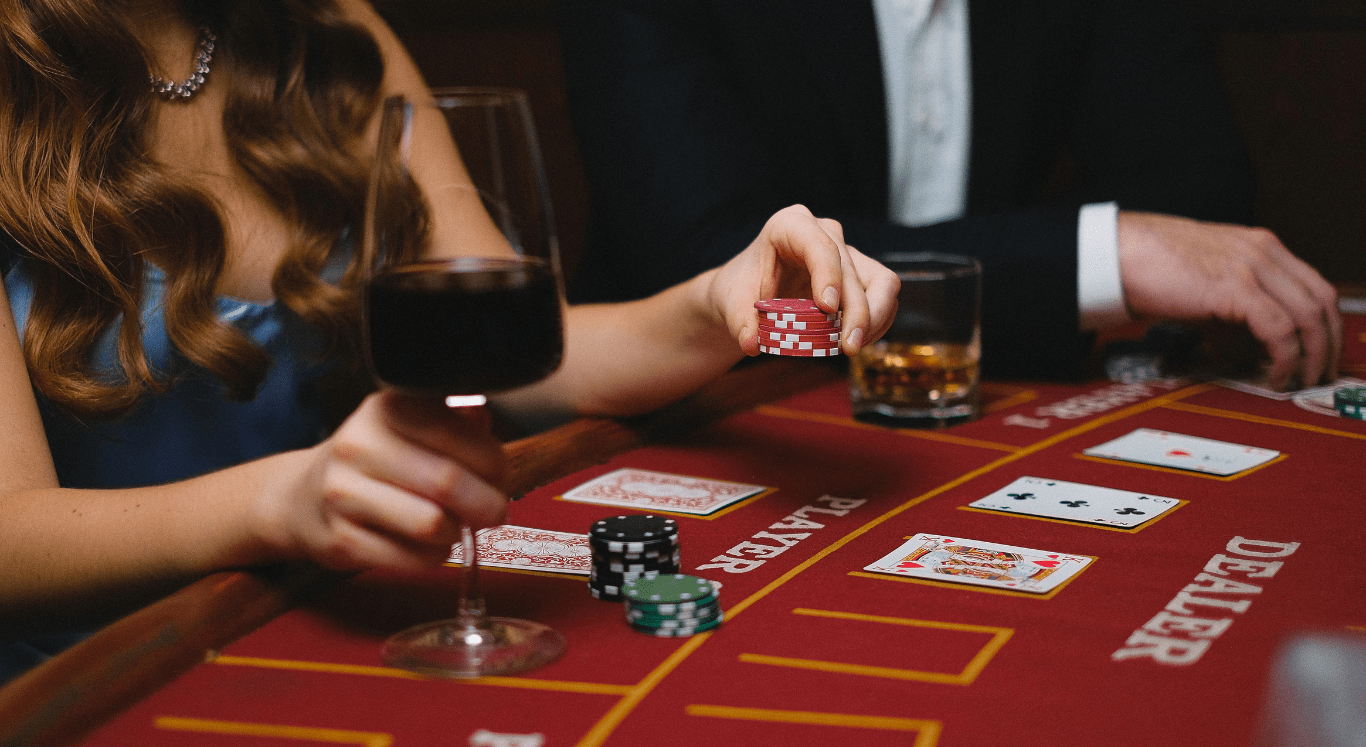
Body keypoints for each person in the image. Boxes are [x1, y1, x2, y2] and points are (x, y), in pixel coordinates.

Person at [0, 0, 898, 683]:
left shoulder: (324, 27)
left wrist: (714, 301)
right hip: (89, 686)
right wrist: (282, 503)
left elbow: (521, 347)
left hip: (308, 628)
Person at [556, 0, 1342, 389]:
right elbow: (716, 258)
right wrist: (1107, 256)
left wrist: (1129, 252)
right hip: (697, 416)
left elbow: (1200, 208)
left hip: (986, 397)